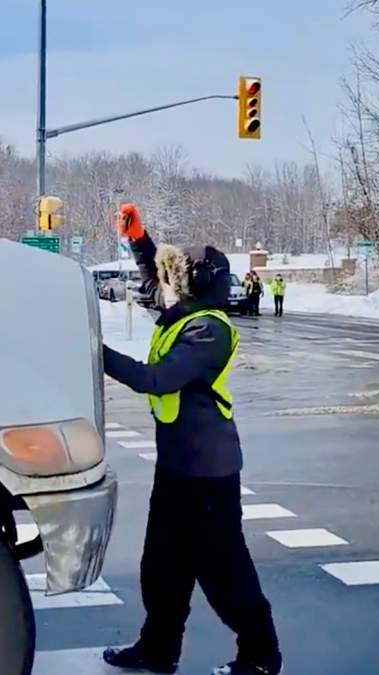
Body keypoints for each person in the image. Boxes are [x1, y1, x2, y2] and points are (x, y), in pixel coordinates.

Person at [100, 202, 282, 675]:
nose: (171, 283)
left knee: (223, 572)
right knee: (162, 566)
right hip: (177, 466)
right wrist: (140, 241)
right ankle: (159, 650)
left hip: (209, 471)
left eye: (182, 275)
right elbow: (152, 281)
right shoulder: (186, 312)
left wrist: (95, 353)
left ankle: (261, 656)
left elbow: (156, 379)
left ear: (199, 284)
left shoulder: (209, 330)